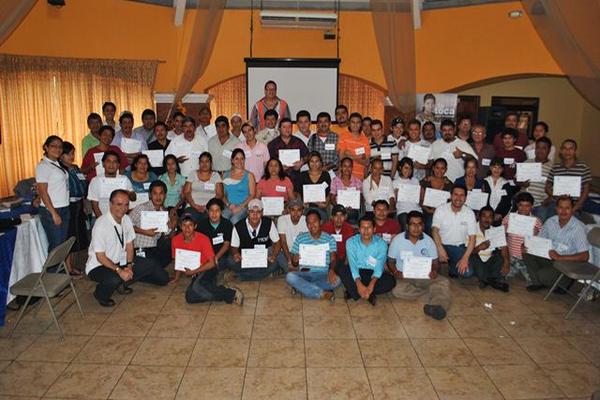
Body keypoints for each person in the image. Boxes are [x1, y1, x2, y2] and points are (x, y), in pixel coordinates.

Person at [86, 189, 169, 307]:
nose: (123, 208)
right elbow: (100, 257)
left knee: (160, 275)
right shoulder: (101, 224)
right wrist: (119, 271)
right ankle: (100, 294)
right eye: (119, 204)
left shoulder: (126, 219)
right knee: (114, 279)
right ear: (110, 204)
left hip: (121, 261)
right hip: (100, 265)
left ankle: (122, 283)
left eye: (126, 204)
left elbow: (130, 245)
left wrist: (129, 266)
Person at [387, 210, 451, 320]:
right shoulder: (397, 240)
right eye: (412, 224)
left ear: (423, 226)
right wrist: (396, 272)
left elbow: (435, 262)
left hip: (424, 275)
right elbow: (390, 261)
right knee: (397, 290)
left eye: (419, 224)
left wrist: (434, 271)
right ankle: (430, 292)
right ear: (407, 226)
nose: (416, 228)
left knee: (443, 282)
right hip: (404, 276)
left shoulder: (429, 241)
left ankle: (438, 307)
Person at [171, 212, 243, 305]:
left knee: (198, 286)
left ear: (195, 226)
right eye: (184, 225)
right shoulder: (175, 240)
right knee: (190, 297)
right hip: (195, 273)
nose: (187, 228)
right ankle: (218, 291)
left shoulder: (203, 239)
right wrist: (176, 278)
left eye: (190, 225)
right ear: (180, 226)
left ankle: (232, 294)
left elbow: (212, 263)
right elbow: (178, 260)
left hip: (208, 268)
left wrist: (194, 271)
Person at [524, 196, 589, 292]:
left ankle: (565, 282)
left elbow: (585, 256)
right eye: (560, 207)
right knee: (527, 252)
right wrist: (527, 244)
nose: (563, 211)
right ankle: (538, 283)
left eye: (567, 208)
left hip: (566, 263)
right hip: (550, 257)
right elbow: (540, 239)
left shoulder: (578, 228)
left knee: (543, 275)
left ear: (573, 209)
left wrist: (559, 258)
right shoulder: (551, 221)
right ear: (556, 208)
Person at [338, 215, 396, 305]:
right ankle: (368, 295)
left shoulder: (381, 244)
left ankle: (354, 292)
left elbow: (379, 267)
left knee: (390, 281)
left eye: (369, 227)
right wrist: (358, 283)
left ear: (374, 229)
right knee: (340, 267)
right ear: (358, 229)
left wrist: (371, 285)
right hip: (356, 271)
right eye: (363, 227)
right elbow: (352, 265)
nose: (366, 231)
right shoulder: (351, 242)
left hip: (372, 273)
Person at [286, 209, 340, 300]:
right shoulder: (300, 238)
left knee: (337, 281)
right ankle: (321, 293)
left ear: (320, 222)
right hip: (305, 274)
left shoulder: (329, 239)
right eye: (309, 223)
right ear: (306, 225)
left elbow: (333, 259)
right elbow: (294, 263)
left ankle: (302, 287)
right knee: (290, 276)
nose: (312, 225)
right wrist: (294, 260)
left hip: (323, 274)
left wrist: (331, 271)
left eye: (315, 222)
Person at [431, 184, 477, 278]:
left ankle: (452, 266)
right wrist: (440, 249)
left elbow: (473, 239)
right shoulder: (441, 209)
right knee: (428, 270)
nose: (458, 198)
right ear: (451, 196)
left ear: (465, 198)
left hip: (458, 248)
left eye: (462, 195)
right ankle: (447, 264)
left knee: (468, 273)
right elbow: (434, 231)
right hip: (440, 245)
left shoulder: (469, 213)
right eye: (456, 194)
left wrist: (465, 258)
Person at [229, 199, 282, 280]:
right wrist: (236, 254)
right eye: (252, 211)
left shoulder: (268, 223)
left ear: (262, 212)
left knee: (276, 261)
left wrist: (273, 256)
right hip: (245, 257)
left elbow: (277, 242)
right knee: (230, 261)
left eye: (258, 212)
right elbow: (233, 246)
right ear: (247, 212)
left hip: (264, 256)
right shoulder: (238, 226)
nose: (255, 214)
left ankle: (243, 276)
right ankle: (261, 275)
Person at [130, 180, 176, 271]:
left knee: (171, 248)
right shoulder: (141, 208)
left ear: (165, 195)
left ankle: (150, 269)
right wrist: (144, 231)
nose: (158, 197)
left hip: (154, 247)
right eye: (155, 193)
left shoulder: (163, 213)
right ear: (150, 195)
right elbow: (125, 225)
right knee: (162, 277)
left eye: (161, 193)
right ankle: (148, 268)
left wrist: (172, 226)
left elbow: (168, 235)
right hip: (140, 248)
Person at [36, 135, 70, 253]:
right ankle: (51, 270)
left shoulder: (56, 164)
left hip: (64, 207)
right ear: (46, 147)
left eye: (60, 147)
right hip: (52, 209)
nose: (57, 149)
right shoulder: (43, 166)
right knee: (56, 245)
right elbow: (43, 192)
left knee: (62, 244)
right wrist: (54, 213)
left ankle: (57, 270)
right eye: (53, 146)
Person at [60, 141, 89, 277]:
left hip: (79, 205)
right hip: (68, 206)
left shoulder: (76, 168)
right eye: (68, 154)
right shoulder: (60, 170)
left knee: (77, 236)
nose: (71, 157)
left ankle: (72, 265)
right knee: (69, 236)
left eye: (73, 154)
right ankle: (68, 268)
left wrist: (83, 204)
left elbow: (82, 185)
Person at [544, 139, 591, 219]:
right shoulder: (556, 167)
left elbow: (586, 191)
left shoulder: (583, 167)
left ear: (575, 151)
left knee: (572, 227)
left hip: (574, 205)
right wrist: (556, 196)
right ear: (561, 151)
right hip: (557, 204)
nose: (567, 151)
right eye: (565, 148)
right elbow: (547, 187)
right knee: (550, 223)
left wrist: (575, 207)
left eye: (571, 149)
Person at [502, 192, 542, 285]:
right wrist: (506, 230)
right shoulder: (509, 218)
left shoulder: (537, 222)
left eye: (527, 206)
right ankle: (513, 269)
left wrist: (536, 234)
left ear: (532, 206)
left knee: (533, 281)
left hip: (526, 258)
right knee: (502, 275)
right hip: (511, 256)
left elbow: (540, 244)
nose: (524, 208)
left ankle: (522, 270)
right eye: (521, 205)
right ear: (517, 205)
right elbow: (501, 238)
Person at [471, 206, 510, 291]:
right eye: (484, 216)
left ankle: (485, 279)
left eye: (490, 217)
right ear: (478, 217)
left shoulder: (496, 231)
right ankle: (492, 280)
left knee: (500, 257)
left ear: (493, 219)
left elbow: (504, 248)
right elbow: (467, 252)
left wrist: (506, 263)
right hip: (475, 259)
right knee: (474, 258)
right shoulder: (472, 229)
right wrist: (478, 248)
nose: (487, 219)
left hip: (489, 261)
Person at [87, 151, 136, 218]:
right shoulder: (96, 180)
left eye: (114, 162)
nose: (111, 164)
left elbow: (133, 198)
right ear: (103, 164)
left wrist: (130, 194)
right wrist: (103, 221)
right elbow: (95, 205)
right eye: (108, 161)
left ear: (118, 165)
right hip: (101, 217)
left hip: (121, 218)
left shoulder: (124, 179)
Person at [267, 117, 309, 187]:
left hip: (296, 179)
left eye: (289, 127)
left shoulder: (298, 142)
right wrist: (278, 167)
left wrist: (302, 162)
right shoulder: (272, 144)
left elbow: (308, 155)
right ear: (279, 129)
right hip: (278, 179)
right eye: (284, 127)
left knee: (296, 197)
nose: (287, 129)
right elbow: (268, 162)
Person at [183, 152, 223, 222]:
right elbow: (186, 192)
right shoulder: (192, 174)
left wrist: (207, 206)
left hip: (210, 209)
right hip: (192, 206)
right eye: (202, 161)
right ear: (199, 163)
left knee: (206, 224)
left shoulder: (216, 175)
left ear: (211, 163)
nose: (204, 164)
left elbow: (219, 194)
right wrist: (194, 205)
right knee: (187, 221)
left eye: (207, 161)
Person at [197, 198, 235, 272]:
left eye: (217, 210)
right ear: (207, 212)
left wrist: (216, 257)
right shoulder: (201, 225)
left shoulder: (227, 224)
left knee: (231, 261)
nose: (214, 214)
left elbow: (226, 245)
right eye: (211, 211)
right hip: (206, 255)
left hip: (222, 255)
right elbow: (199, 244)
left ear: (221, 212)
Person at [522, 137, 554, 221]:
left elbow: (556, 188)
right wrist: (522, 183)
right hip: (524, 204)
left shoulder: (553, 167)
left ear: (549, 150)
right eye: (538, 147)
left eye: (544, 148)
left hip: (541, 205)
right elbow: (516, 180)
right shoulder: (527, 163)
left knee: (538, 229)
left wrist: (550, 198)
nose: (540, 150)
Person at [222, 149, 256, 224]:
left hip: (244, 207)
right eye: (236, 159)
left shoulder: (249, 175)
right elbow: (223, 194)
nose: (239, 161)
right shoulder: (225, 175)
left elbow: (252, 195)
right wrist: (229, 204)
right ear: (232, 160)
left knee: (235, 219)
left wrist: (240, 207)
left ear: (244, 160)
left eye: (242, 159)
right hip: (229, 205)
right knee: (223, 217)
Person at [419, 158, 453, 234]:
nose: (439, 171)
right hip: (427, 211)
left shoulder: (449, 184)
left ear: (446, 170)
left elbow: (450, 202)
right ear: (433, 168)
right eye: (437, 168)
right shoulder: (425, 181)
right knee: (430, 222)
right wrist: (427, 210)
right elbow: (420, 200)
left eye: (442, 168)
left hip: (443, 213)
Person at [483, 158, 518, 224]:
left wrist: (500, 214)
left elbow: (507, 202)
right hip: (485, 215)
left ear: (502, 169)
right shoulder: (484, 182)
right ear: (490, 168)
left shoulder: (506, 184)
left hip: (498, 217)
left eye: (499, 168)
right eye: (494, 167)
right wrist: (488, 213)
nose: (497, 170)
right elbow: (481, 200)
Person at [276, 200, 308, 272]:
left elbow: (307, 242)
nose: (296, 213)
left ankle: (296, 271)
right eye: (293, 210)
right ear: (289, 210)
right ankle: (295, 271)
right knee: (278, 255)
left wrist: (297, 258)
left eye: (299, 210)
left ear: (303, 211)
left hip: (300, 252)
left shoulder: (306, 220)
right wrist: (290, 261)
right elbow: (283, 242)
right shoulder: (282, 219)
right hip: (285, 252)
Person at [299, 151, 331, 221]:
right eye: (312, 161)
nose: (314, 164)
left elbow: (328, 193)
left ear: (320, 162)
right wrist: (302, 203)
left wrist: (326, 204)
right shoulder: (302, 175)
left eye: (317, 161)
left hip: (321, 207)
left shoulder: (325, 175)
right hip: (306, 207)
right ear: (308, 163)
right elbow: (298, 192)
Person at [337, 112, 371, 179]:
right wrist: (359, 158)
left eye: (358, 122)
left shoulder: (365, 140)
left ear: (361, 124)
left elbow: (367, 163)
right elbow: (342, 158)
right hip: (344, 177)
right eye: (353, 122)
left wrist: (350, 156)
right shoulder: (343, 136)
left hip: (359, 178)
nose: (355, 125)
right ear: (349, 123)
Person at [322, 205, 356, 270]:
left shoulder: (350, 229)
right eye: (336, 216)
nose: (339, 219)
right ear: (332, 217)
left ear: (345, 217)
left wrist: (345, 267)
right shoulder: (325, 228)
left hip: (342, 261)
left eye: (341, 216)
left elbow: (350, 251)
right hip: (328, 260)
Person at [330, 157, 362, 225]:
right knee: (339, 215)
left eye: (349, 166)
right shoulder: (335, 180)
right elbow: (332, 198)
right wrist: (339, 207)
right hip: (338, 209)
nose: (347, 169)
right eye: (344, 166)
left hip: (352, 209)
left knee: (352, 214)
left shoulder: (357, 181)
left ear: (352, 168)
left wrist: (354, 204)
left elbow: (360, 197)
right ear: (341, 167)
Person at [393, 157, 422, 231]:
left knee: (419, 223)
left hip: (416, 209)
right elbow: (393, 203)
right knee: (406, 221)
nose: (408, 171)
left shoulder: (415, 181)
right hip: (403, 210)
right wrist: (395, 195)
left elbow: (419, 200)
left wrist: (421, 193)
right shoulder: (395, 182)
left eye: (410, 169)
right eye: (406, 168)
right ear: (400, 168)